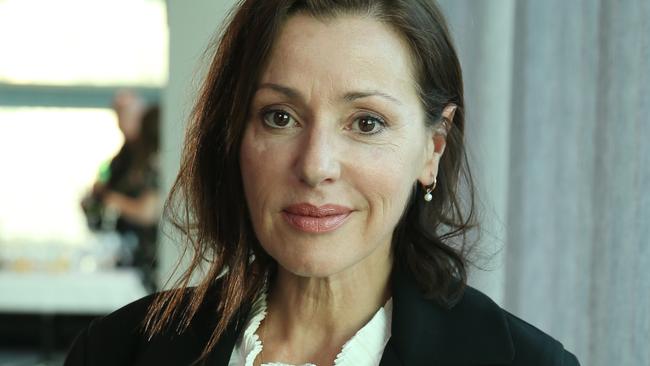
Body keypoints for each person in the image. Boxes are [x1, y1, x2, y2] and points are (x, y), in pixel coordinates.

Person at [65, 1, 580, 365]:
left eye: (366, 123)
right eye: (280, 117)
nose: (315, 166)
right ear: (234, 136)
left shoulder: (529, 362)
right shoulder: (116, 350)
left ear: (433, 148)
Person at [81, 90, 161, 291]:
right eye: (119, 114)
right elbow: (102, 187)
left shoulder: (154, 153)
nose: (122, 121)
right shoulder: (123, 157)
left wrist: (112, 199)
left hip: (151, 259)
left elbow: (148, 212)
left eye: (127, 113)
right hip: (127, 255)